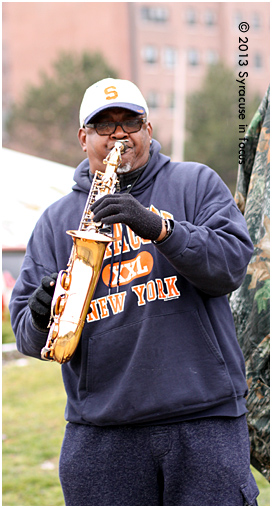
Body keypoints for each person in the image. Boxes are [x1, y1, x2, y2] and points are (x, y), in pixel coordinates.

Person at [10, 78, 260, 506]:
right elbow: (29, 340)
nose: (119, 134)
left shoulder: (194, 182)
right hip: (103, 435)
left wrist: (158, 227)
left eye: (130, 122)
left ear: (148, 129)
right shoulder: (55, 221)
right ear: (83, 137)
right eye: (104, 125)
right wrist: (38, 313)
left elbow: (232, 266)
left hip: (204, 423)